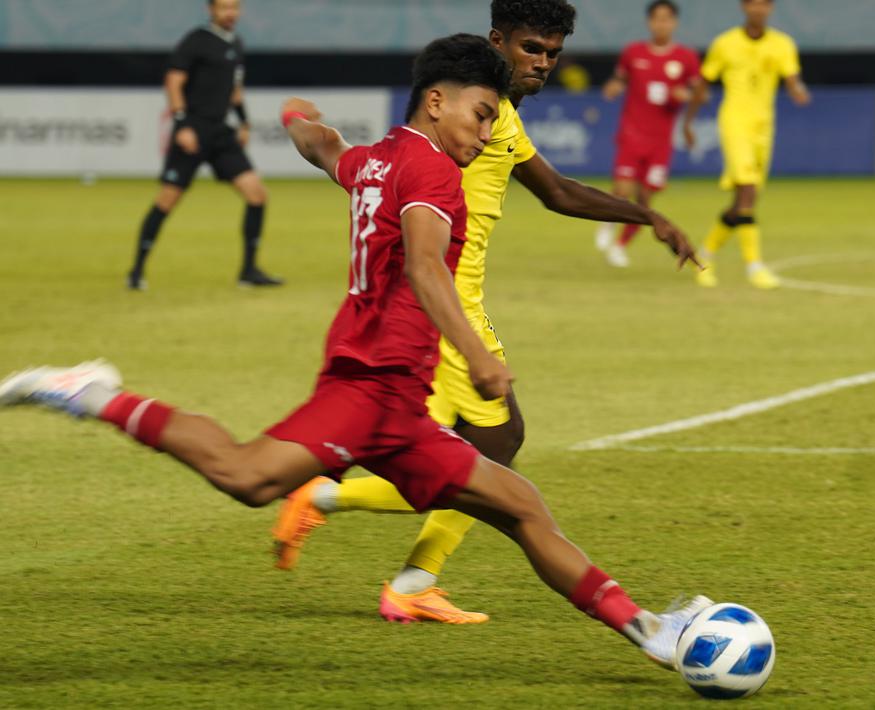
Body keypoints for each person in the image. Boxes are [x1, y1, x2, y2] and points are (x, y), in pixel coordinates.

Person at [0, 33, 708, 671]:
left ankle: (654, 631)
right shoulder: (433, 175)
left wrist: (294, 119)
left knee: (520, 506)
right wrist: (479, 355)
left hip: (400, 410)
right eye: (481, 114)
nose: (487, 130)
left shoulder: (376, 160)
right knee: (247, 477)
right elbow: (429, 269)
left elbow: (322, 146)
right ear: (437, 102)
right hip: (368, 391)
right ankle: (91, 392)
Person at [271, 0, 698, 626]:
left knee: (481, 446)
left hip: (455, 302)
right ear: (498, 41)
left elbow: (556, 192)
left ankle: (378, 543)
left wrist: (646, 215)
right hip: (439, 306)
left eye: (553, 53)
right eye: (531, 49)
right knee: (483, 449)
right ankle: (355, 522)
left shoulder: (497, 119)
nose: (543, 63)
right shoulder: (468, 120)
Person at [127, 0, 282, 291]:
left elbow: (234, 89)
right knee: (167, 199)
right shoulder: (196, 40)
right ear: (211, 9)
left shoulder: (236, 43)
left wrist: (244, 122)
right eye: (224, 8)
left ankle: (248, 271)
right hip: (193, 131)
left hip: (221, 133)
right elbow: (173, 82)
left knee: (256, 194)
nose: (231, 13)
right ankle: (136, 270)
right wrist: (182, 124)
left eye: (235, 8)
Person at [682, 0, 810, 290]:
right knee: (748, 192)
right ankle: (754, 266)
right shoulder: (725, 43)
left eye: (764, 3)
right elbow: (704, 84)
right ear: (744, 6)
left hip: (764, 128)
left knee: (743, 203)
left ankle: (703, 256)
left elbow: (792, 79)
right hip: (734, 123)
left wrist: (798, 90)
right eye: (753, 3)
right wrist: (687, 123)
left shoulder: (782, 44)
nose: (758, 8)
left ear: (770, 8)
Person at [593, 0, 702, 268]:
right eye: (657, 19)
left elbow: (700, 93)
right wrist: (613, 87)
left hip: (660, 142)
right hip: (632, 134)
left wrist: (686, 102)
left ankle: (620, 246)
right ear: (649, 22)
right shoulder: (634, 53)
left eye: (667, 19)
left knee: (644, 201)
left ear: (674, 23)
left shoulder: (685, 58)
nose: (661, 24)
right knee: (622, 190)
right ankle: (607, 224)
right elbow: (620, 79)